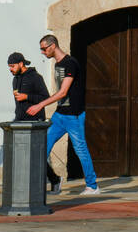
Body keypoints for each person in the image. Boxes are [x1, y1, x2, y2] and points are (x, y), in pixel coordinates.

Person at [28, 34, 98, 195]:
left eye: (44, 49)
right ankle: (42, 185)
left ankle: (92, 186)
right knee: (41, 147)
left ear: (53, 46)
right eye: (41, 49)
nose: (42, 52)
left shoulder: (70, 63)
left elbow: (63, 92)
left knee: (81, 149)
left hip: (74, 115)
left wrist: (40, 104)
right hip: (60, 115)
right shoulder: (57, 64)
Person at [8, 52, 61, 193]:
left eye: (12, 66)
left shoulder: (35, 77)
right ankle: (25, 187)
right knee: (21, 156)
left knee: (35, 157)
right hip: (19, 122)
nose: (10, 69)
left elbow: (45, 97)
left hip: (35, 122)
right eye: (9, 66)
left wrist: (27, 96)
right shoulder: (15, 79)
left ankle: (54, 180)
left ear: (21, 63)